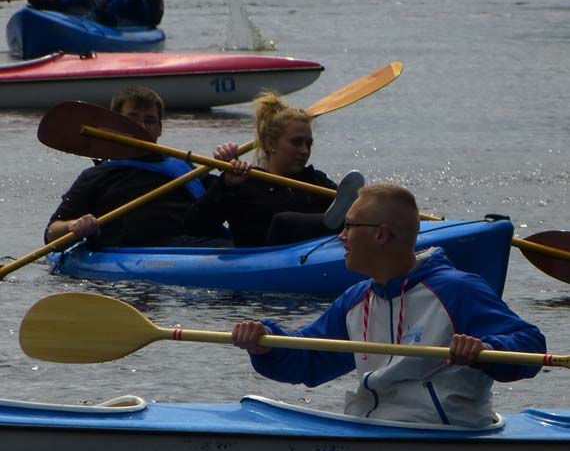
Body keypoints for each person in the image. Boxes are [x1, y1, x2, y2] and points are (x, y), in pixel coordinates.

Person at [232, 183, 547, 428]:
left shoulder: (457, 291)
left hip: (445, 435)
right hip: (374, 429)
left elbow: (531, 347)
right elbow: (310, 361)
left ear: (381, 234)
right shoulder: (355, 300)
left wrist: (485, 351)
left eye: (350, 226)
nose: (341, 236)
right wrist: (266, 343)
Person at [44, 85, 232, 248]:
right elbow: (51, 233)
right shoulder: (96, 176)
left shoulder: (185, 167)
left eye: (149, 121)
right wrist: (73, 226)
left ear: (159, 129)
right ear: (115, 124)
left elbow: (221, 206)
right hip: (143, 252)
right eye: (132, 119)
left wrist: (230, 174)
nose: (141, 126)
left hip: (203, 245)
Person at [190, 90, 341, 247]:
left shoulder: (316, 181)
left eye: (308, 144)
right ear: (270, 144)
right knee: (284, 221)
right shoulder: (245, 183)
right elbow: (196, 226)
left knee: (353, 213)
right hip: (263, 262)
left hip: (313, 258)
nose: (305, 151)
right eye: (296, 142)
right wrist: (226, 184)